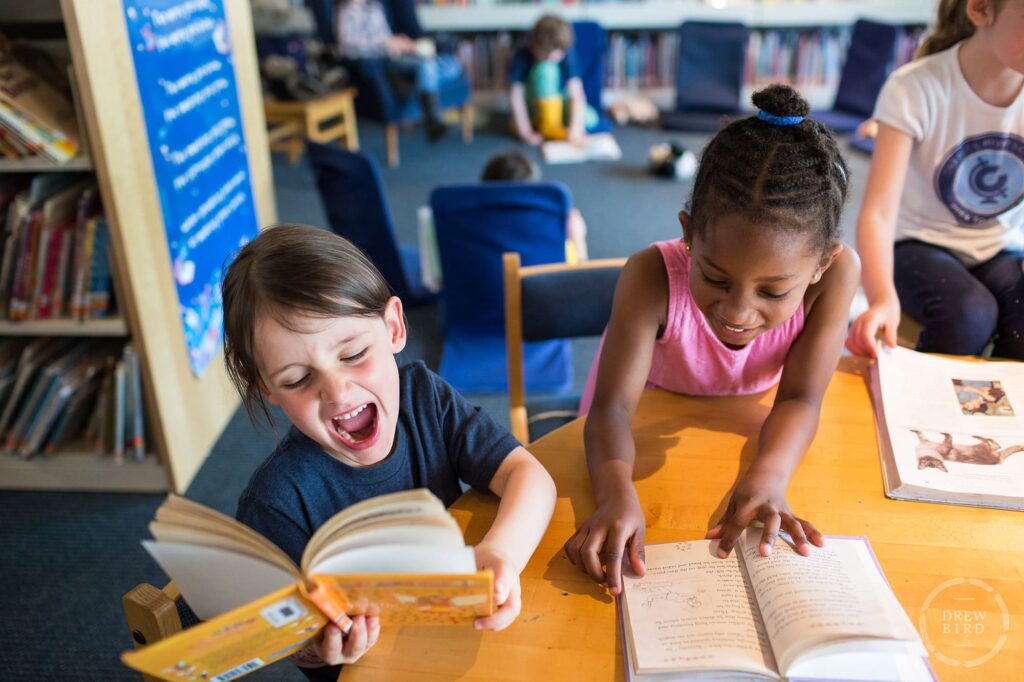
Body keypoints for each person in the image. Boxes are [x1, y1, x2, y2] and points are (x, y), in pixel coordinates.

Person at [221, 224, 557, 681]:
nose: (337, 392)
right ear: (269, 390)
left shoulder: (423, 396)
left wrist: (503, 554)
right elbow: (283, 638)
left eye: (354, 353)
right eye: (298, 380)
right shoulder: (276, 503)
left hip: (462, 637)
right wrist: (317, 649)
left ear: (394, 327)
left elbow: (529, 475)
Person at [563, 85, 859, 595]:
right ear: (689, 235)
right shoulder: (650, 275)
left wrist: (768, 476)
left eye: (773, 290)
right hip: (638, 432)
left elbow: (801, 397)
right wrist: (615, 493)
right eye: (716, 279)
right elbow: (611, 410)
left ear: (821, 265)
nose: (738, 311)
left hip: (734, 424)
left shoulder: (839, 274)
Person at [846, 0, 1024, 360]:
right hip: (916, 244)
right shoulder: (914, 88)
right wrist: (882, 298)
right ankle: (920, 411)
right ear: (980, 10)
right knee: (970, 314)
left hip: (998, 245)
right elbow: (878, 214)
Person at [334, 0, 462, 141]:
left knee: (452, 64)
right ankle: (432, 120)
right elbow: (346, 47)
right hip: (382, 62)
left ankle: (417, 83)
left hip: (398, 55)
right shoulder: (348, 10)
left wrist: (400, 42)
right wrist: (385, 44)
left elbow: (384, 34)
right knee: (427, 66)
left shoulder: (375, 6)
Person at [480, 150, 589, 262]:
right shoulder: (548, 224)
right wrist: (578, 240)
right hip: (539, 278)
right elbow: (579, 276)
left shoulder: (466, 218)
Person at [508, 14, 597, 145]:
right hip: (533, 105)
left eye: (557, 56)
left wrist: (575, 128)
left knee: (589, 117)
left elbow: (576, 92)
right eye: (545, 55)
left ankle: (554, 124)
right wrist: (525, 131)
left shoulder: (566, 52)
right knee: (546, 69)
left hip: (558, 101)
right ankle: (548, 125)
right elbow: (516, 95)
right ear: (534, 45)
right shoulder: (523, 55)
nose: (552, 58)